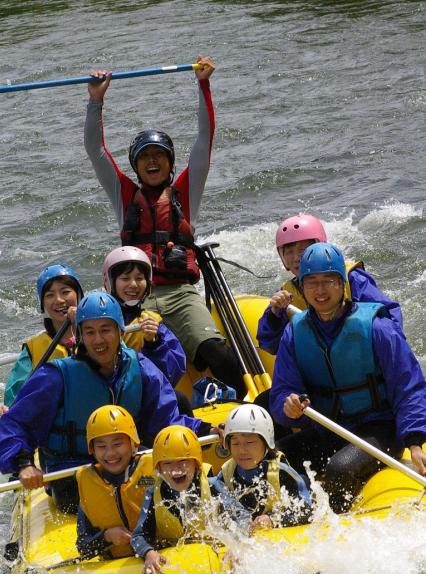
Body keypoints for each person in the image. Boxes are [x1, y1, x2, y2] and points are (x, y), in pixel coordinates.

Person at [84, 56, 247, 397]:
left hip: (179, 294)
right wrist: (95, 101)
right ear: (136, 165)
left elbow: (205, 139)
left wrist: (203, 84)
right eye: (145, 157)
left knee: (216, 352)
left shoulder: (186, 193)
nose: (153, 161)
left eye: (159, 155)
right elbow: (96, 150)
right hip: (132, 295)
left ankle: (246, 410)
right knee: (123, 363)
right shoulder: (124, 196)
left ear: (171, 163)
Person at [0, 292, 215, 513]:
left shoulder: (141, 368)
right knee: (92, 498)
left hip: (128, 467)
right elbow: (15, 424)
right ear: (79, 335)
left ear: (120, 332)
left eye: (105, 330)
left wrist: (208, 429)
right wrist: (24, 464)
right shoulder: (55, 376)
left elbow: (168, 420)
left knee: (165, 481)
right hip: (73, 475)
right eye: (89, 332)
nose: (98, 340)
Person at [269, 242, 426, 513]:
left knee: (339, 469)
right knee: (278, 459)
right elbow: (283, 390)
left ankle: (337, 523)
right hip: (328, 428)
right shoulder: (294, 334)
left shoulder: (378, 327)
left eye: (329, 281)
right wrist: (288, 406)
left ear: (343, 284)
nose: (320, 290)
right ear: (302, 287)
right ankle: (297, 520)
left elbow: (408, 386)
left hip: (379, 428)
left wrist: (414, 440)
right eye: (312, 282)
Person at [256, 213, 403, 356]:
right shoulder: (286, 296)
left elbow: (389, 319)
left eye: (302, 251)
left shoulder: (352, 278)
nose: (296, 258)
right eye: (289, 252)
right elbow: (270, 345)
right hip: (322, 367)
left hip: (359, 356)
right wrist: (274, 316)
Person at [131, 425, 250, 574]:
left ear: (196, 463)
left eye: (183, 460)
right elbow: (138, 536)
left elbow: (243, 516)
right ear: (158, 467)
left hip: (214, 558)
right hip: (176, 568)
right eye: (167, 463)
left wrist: (236, 544)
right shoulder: (153, 494)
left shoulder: (213, 486)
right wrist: (148, 553)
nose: (176, 468)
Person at [102, 245, 193, 414]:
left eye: (139, 278)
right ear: (110, 282)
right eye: (125, 278)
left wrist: (154, 343)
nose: (133, 284)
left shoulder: (153, 323)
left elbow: (171, 375)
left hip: (144, 400)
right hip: (108, 401)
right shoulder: (98, 322)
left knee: (179, 399)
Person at [0, 264, 82, 421]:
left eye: (65, 292)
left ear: (79, 295)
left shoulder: (97, 331)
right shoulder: (33, 349)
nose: (59, 300)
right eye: (49, 295)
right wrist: (4, 415)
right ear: (42, 305)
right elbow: (14, 398)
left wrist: (81, 323)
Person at [213, 404, 311, 530]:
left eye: (249, 442)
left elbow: (305, 509)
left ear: (266, 443)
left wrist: (273, 519)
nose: (242, 450)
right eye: (235, 443)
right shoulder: (226, 473)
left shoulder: (279, 471)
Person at [76, 405, 155, 559]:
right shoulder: (89, 485)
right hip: (117, 565)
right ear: (92, 449)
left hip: (159, 553)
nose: (110, 453)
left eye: (117, 444)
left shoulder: (149, 476)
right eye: (101, 446)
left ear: (133, 444)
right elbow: (83, 547)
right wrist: (107, 537)